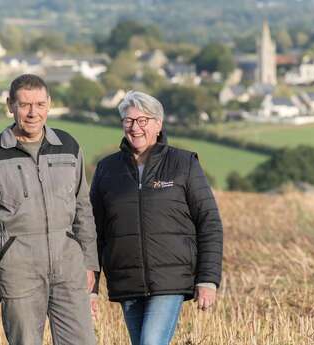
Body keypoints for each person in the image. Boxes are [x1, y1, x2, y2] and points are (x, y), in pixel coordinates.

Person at [0, 74, 98, 345]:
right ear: (10, 105)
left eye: (39, 104)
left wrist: (89, 262)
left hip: (68, 263)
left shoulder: (69, 147)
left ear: (49, 104)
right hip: (17, 267)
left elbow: (83, 208)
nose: (33, 113)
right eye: (24, 105)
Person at [90, 91, 223, 345]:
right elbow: (94, 232)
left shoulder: (184, 163)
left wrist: (208, 279)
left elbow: (209, 222)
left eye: (143, 120)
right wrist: (91, 289)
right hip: (126, 280)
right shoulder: (107, 169)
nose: (135, 127)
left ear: (158, 124)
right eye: (128, 121)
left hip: (170, 281)